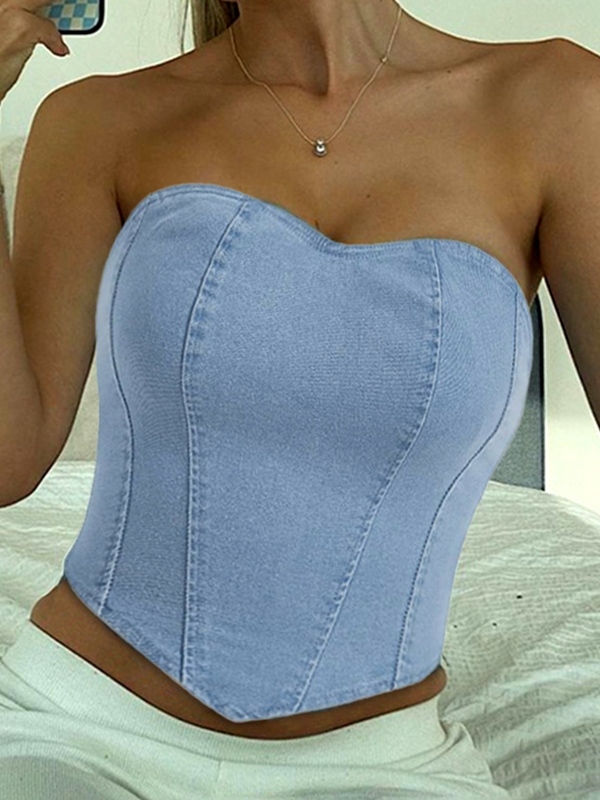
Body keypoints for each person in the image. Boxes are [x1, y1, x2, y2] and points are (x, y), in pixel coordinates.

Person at [0, 0, 588, 797]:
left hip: (386, 763)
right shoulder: (95, 119)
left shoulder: (557, 102)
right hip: (77, 720)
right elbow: (9, 460)